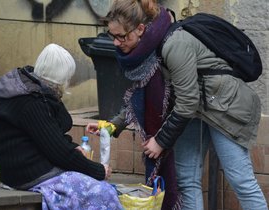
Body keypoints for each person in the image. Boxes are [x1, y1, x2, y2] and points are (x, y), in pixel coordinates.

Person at [86, 0, 268, 210]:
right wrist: (113, 125)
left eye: (121, 36)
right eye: (112, 35)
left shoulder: (174, 44)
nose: (116, 43)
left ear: (140, 29)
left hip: (225, 107)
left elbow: (187, 101)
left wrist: (161, 141)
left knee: (241, 181)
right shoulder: (149, 51)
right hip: (194, 109)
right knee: (187, 182)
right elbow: (142, 96)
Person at [0, 43, 123, 210]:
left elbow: (51, 139)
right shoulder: (32, 103)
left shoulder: (30, 91)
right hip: (31, 175)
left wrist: (74, 149)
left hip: (20, 173)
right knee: (103, 192)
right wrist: (98, 171)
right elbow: (59, 152)